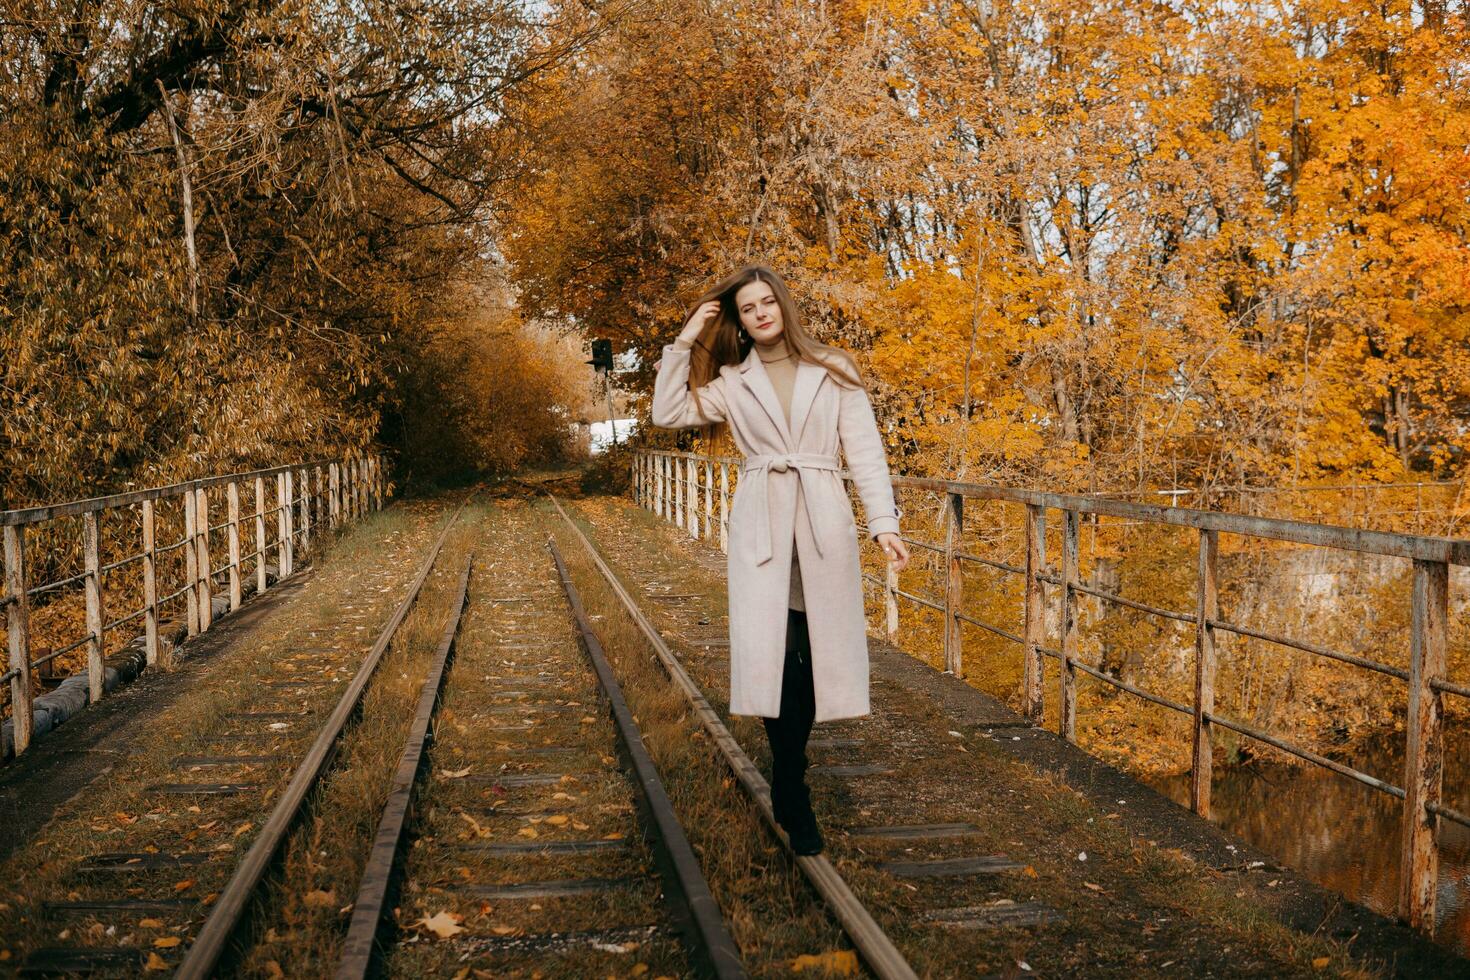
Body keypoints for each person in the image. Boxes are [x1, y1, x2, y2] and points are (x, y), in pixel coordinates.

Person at [650, 264, 911, 855]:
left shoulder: (833, 367)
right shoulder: (732, 382)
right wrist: (687, 338)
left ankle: (790, 770)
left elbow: (865, 451)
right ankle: (792, 783)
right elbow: (667, 413)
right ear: (738, 321)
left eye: (769, 302)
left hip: (822, 518)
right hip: (762, 520)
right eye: (748, 307)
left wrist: (884, 524)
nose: (762, 312)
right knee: (776, 654)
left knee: (818, 655)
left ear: (783, 307)